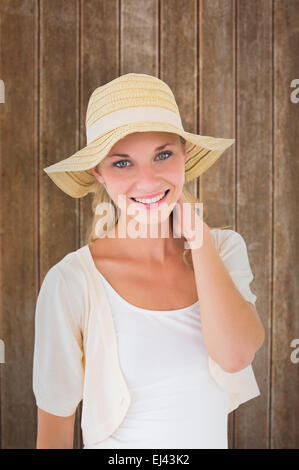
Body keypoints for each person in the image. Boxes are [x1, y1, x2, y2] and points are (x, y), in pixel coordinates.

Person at [33, 73, 264, 449]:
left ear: (184, 156)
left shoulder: (222, 249)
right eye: (122, 164)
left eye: (163, 155)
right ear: (99, 174)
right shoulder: (72, 282)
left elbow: (236, 355)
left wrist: (197, 235)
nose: (149, 180)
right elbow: (54, 435)